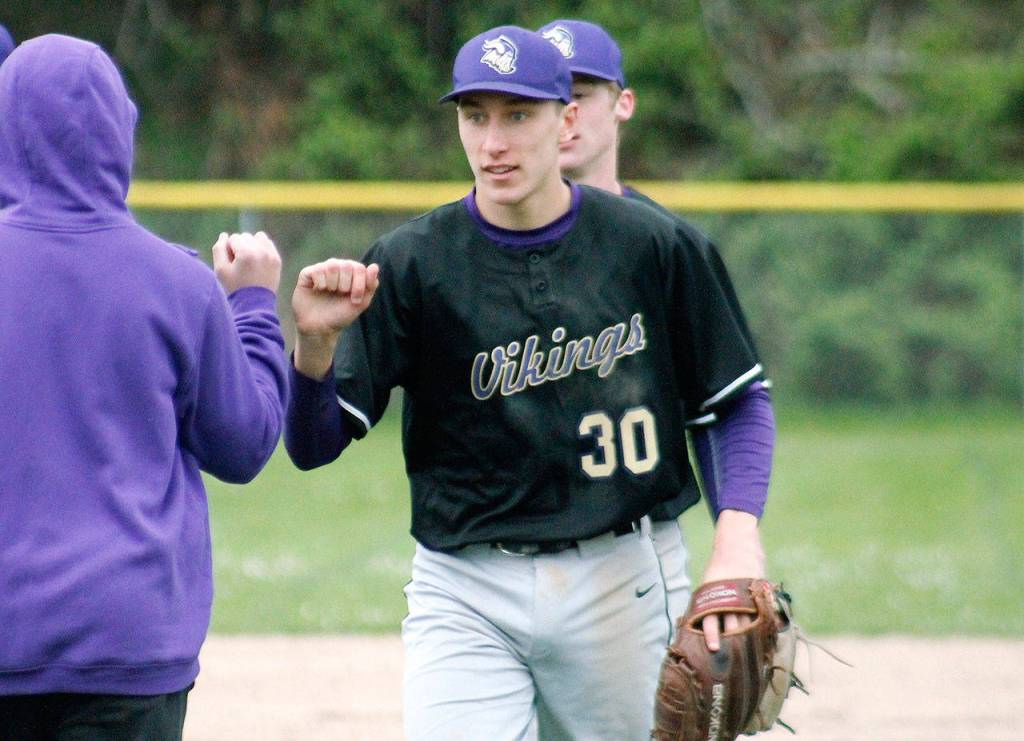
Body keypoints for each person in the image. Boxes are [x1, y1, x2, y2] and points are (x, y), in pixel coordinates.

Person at [285, 24, 768, 740]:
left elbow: (735, 400)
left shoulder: (653, 246)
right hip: (465, 587)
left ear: (565, 119)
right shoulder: (412, 262)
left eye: (518, 115)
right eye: (474, 116)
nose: (493, 142)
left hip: (621, 576)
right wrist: (315, 347)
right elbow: (314, 443)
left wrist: (738, 536)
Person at [0, 35, 288, 739]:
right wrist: (251, 307)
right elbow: (243, 444)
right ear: (120, 129)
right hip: (128, 642)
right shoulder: (179, 282)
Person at [539, 18, 775, 643]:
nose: (563, 115)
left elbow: (731, 400)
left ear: (623, 104)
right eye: (546, 99)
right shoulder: (458, 250)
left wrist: (737, 536)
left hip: (633, 560)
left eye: (580, 95)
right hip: (487, 563)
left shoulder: (670, 249)